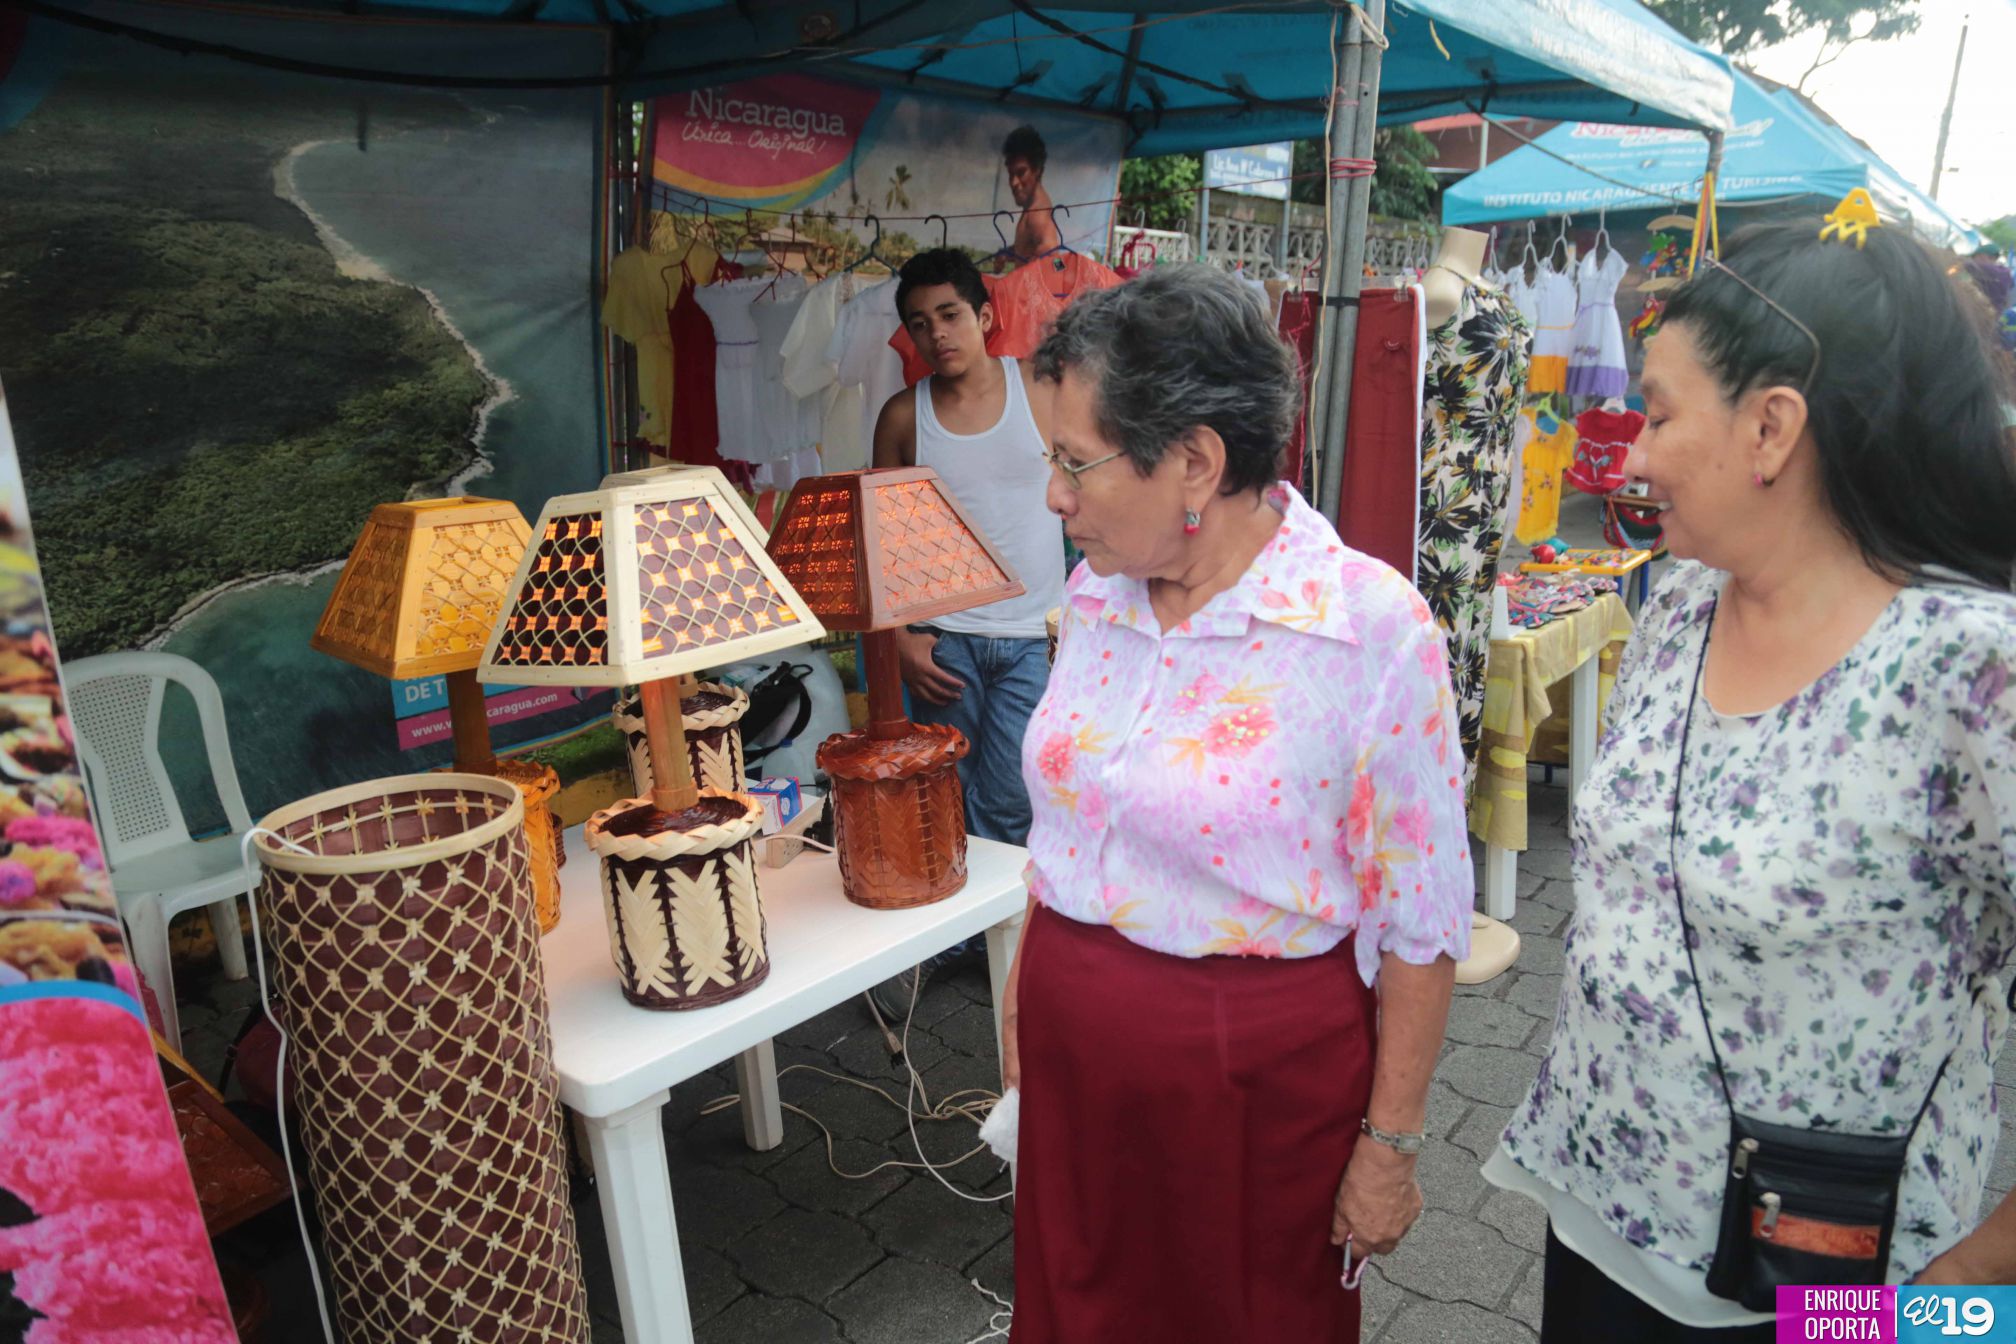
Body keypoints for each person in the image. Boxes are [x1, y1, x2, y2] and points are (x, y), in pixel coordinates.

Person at [1490, 217, 2016, 1341]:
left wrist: (1979, 1285)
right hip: (1597, 1216)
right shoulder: (1678, 605)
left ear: (1773, 427)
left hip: (1841, 1296)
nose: (1626, 456)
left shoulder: (1973, 670)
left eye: (1662, 413)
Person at [1006, 265, 1471, 1342]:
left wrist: (1390, 1146)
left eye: (1075, 464)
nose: (1053, 496)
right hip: (1078, 1056)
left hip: (1249, 1090)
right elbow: (1073, 822)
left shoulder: (1367, 630)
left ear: (1197, 464)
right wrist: (1030, 989)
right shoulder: (1096, 589)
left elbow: (1423, 917)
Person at [872, 248, 1063, 848]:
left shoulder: (1041, 388)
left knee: (1012, 799)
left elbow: (1096, 490)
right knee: (945, 792)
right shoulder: (903, 417)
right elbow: (885, 539)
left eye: (949, 314)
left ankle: (991, 937)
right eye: (920, 323)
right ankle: (966, 939)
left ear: (983, 318)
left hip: (1035, 638)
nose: (936, 333)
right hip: (944, 643)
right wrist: (900, 638)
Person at [1002, 124, 1061, 260]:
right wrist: (1006, 254)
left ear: (1037, 170)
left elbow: (1055, 259)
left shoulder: (1038, 216)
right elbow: (1028, 250)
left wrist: (1061, 272)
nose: (1013, 182)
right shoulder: (1031, 207)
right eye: (1011, 174)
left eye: (1021, 173)